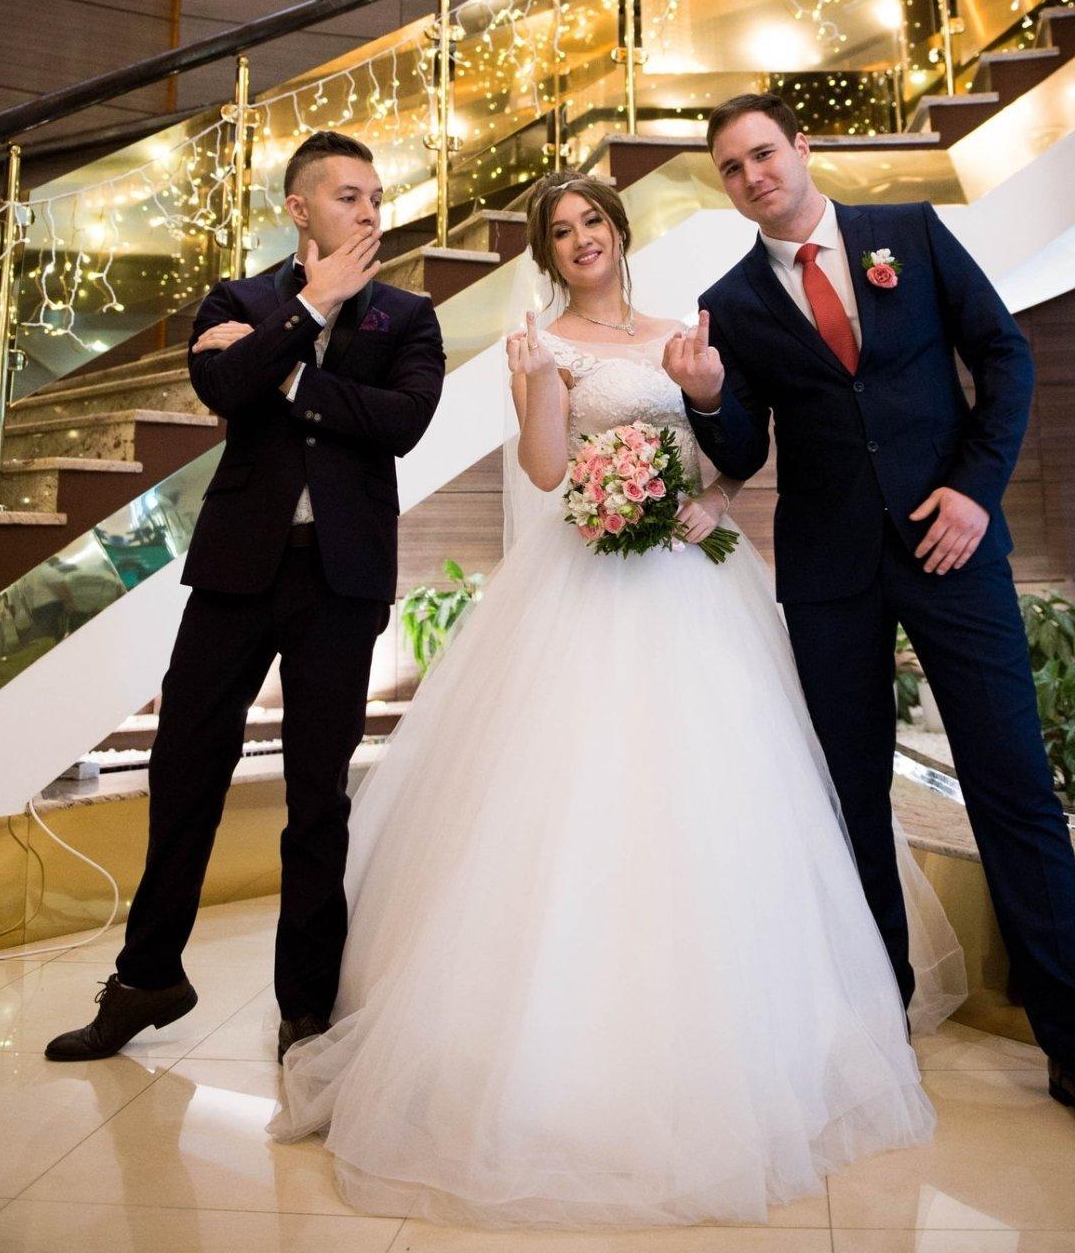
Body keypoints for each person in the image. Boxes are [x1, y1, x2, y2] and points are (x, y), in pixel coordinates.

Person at [268, 170, 966, 1228]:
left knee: (724, 799)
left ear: (619, 230)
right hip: (584, 582)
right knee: (579, 800)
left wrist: (712, 497)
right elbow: (549, 473)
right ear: (547, 254)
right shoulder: (542, 344)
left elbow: (731, 448)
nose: (581, 238)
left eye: (592, 221)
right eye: (561, 231)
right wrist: (538, 388)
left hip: (695, 583)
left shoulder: (686, 331)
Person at [665, 91, 1075, 1157]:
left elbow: (1005, 356)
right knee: (848, 801)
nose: (752, 177)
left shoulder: (911, 233)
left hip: (951, 548)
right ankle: (874, 1023)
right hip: (830, 574)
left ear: (802, 148)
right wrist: (706, 395)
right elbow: (743, 448)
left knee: (1012, 787)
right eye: (731, 168)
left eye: (763, 153)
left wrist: (977, 489)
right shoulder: (729, 301)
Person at [45, 130, 445, 1065]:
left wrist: (291, 370)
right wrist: (307, 311)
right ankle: (147, 978)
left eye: (376, 197)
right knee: (185, 768)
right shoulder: (238, 301)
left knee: (317, 794)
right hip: (236, 571)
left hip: (341, 580)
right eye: (349, 196)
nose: (370, 212)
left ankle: (305, 1004)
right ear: (299, 208)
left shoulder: (408, 316)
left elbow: (402, 423)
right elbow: (224, 384)